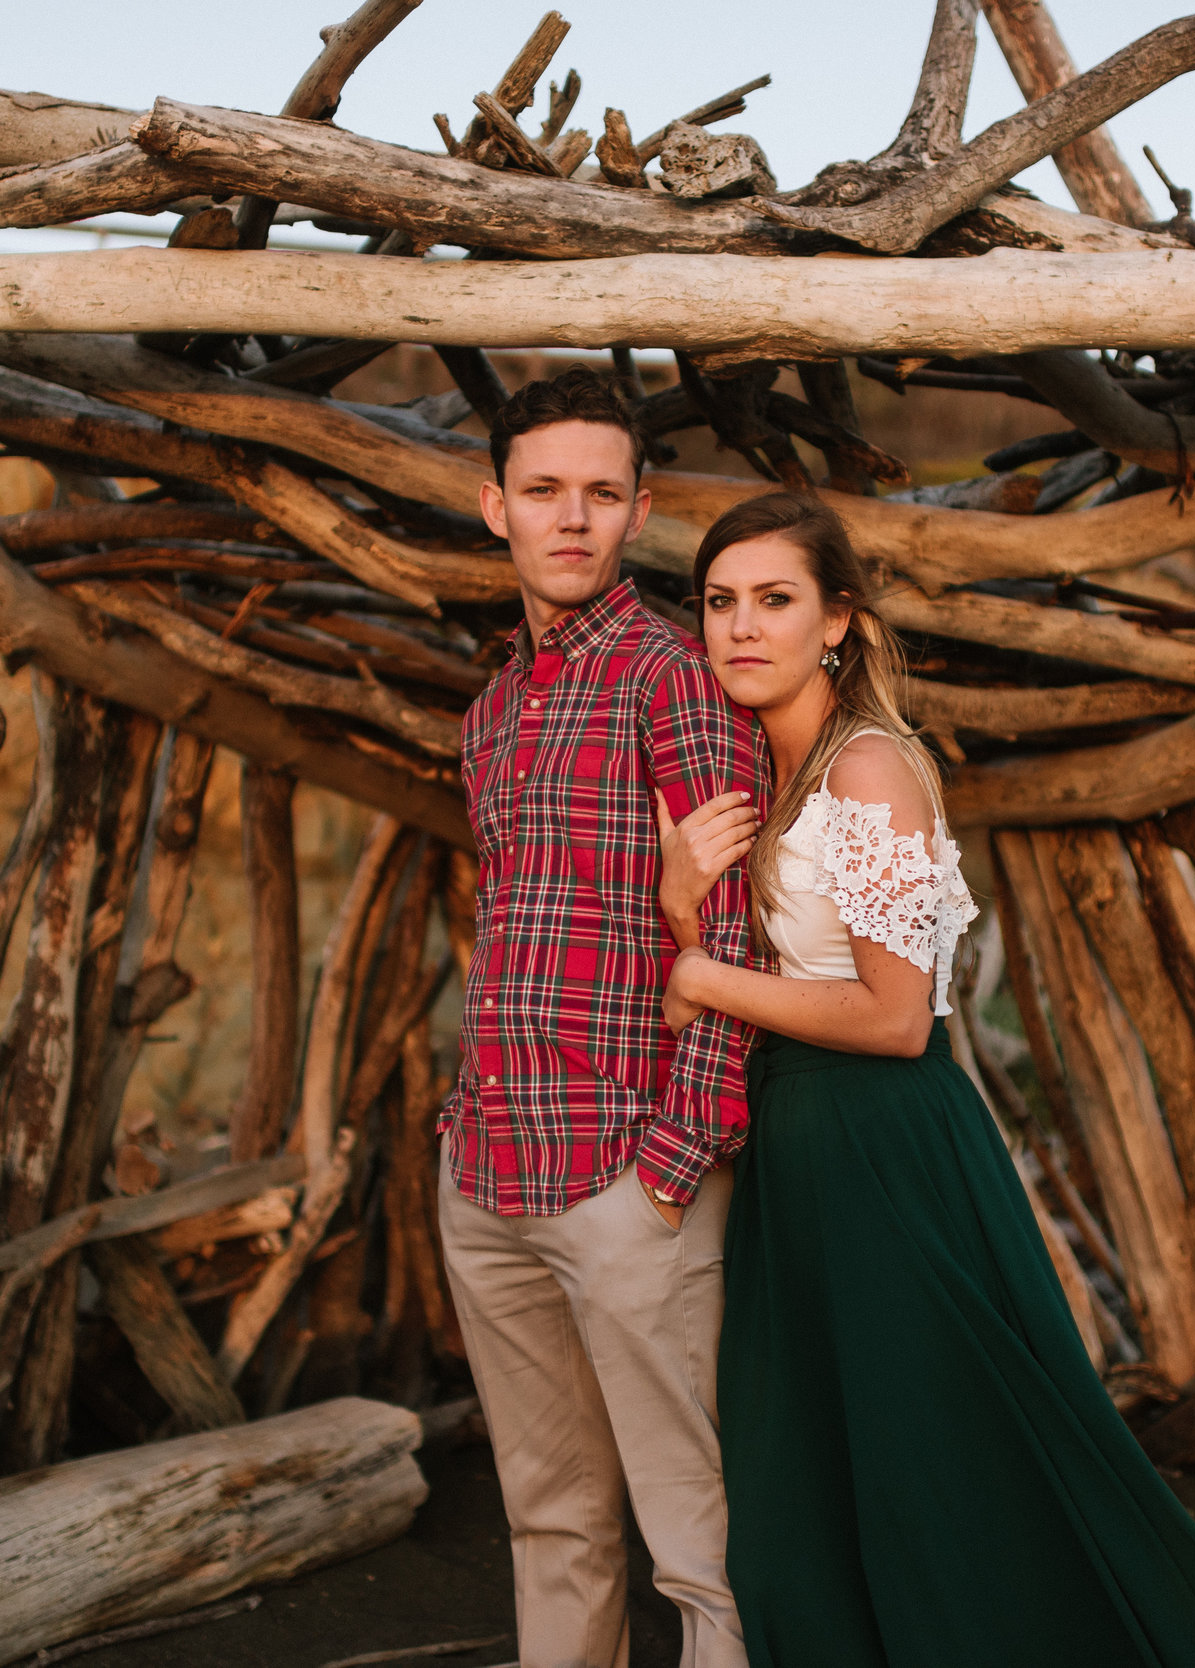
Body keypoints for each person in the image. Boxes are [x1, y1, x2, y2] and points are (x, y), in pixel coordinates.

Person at [656, 491, 1195, 1668]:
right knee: (812, 1468)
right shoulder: (766, 765)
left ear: (838, 621)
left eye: (776, 600)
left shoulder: (865, 774)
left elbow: (895, 1017)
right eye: (720, 602)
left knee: (941, 1467)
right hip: (801, 1145)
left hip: (878, 1145)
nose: (742, 627)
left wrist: (700, 969)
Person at [437, 366, 760, 1668]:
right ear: (493, 507)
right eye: (542, 491)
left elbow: (733, 930)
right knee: (550, 1522)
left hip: (630, 1182)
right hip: (490, 1177)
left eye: (600, 494)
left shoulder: (671, 680)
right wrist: (461, 1153)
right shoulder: (488, 716)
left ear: (639, 512)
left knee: (702, 1548)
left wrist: (671, 1174)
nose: (570, 519)